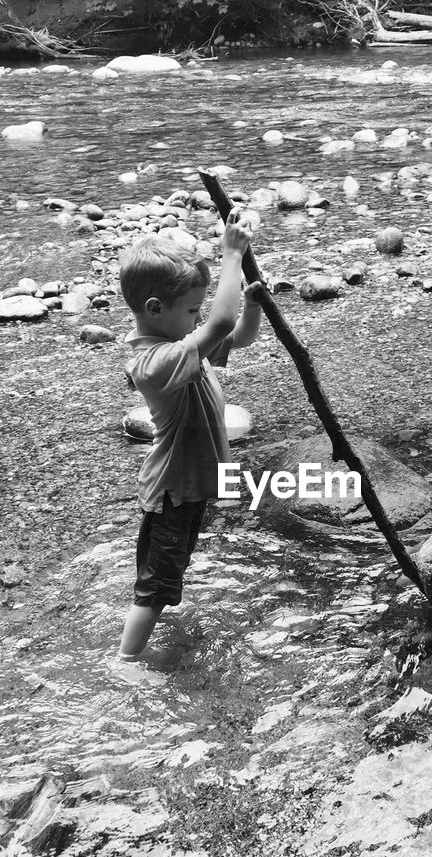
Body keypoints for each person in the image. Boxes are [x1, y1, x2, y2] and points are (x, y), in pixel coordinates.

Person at [115, 216, 262, 669]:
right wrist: (232, 256)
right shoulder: (156, 361)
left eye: (199, 310)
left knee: (164, 572)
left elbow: (237, 335)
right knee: (155, 586)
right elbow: (219, 324)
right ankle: (124, 663)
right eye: (191, 310)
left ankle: (140, 642)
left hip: (188, 487)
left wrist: (252, 303)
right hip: (173, 490)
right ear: (156, 308)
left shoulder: (180, 341)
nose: (197, 319)